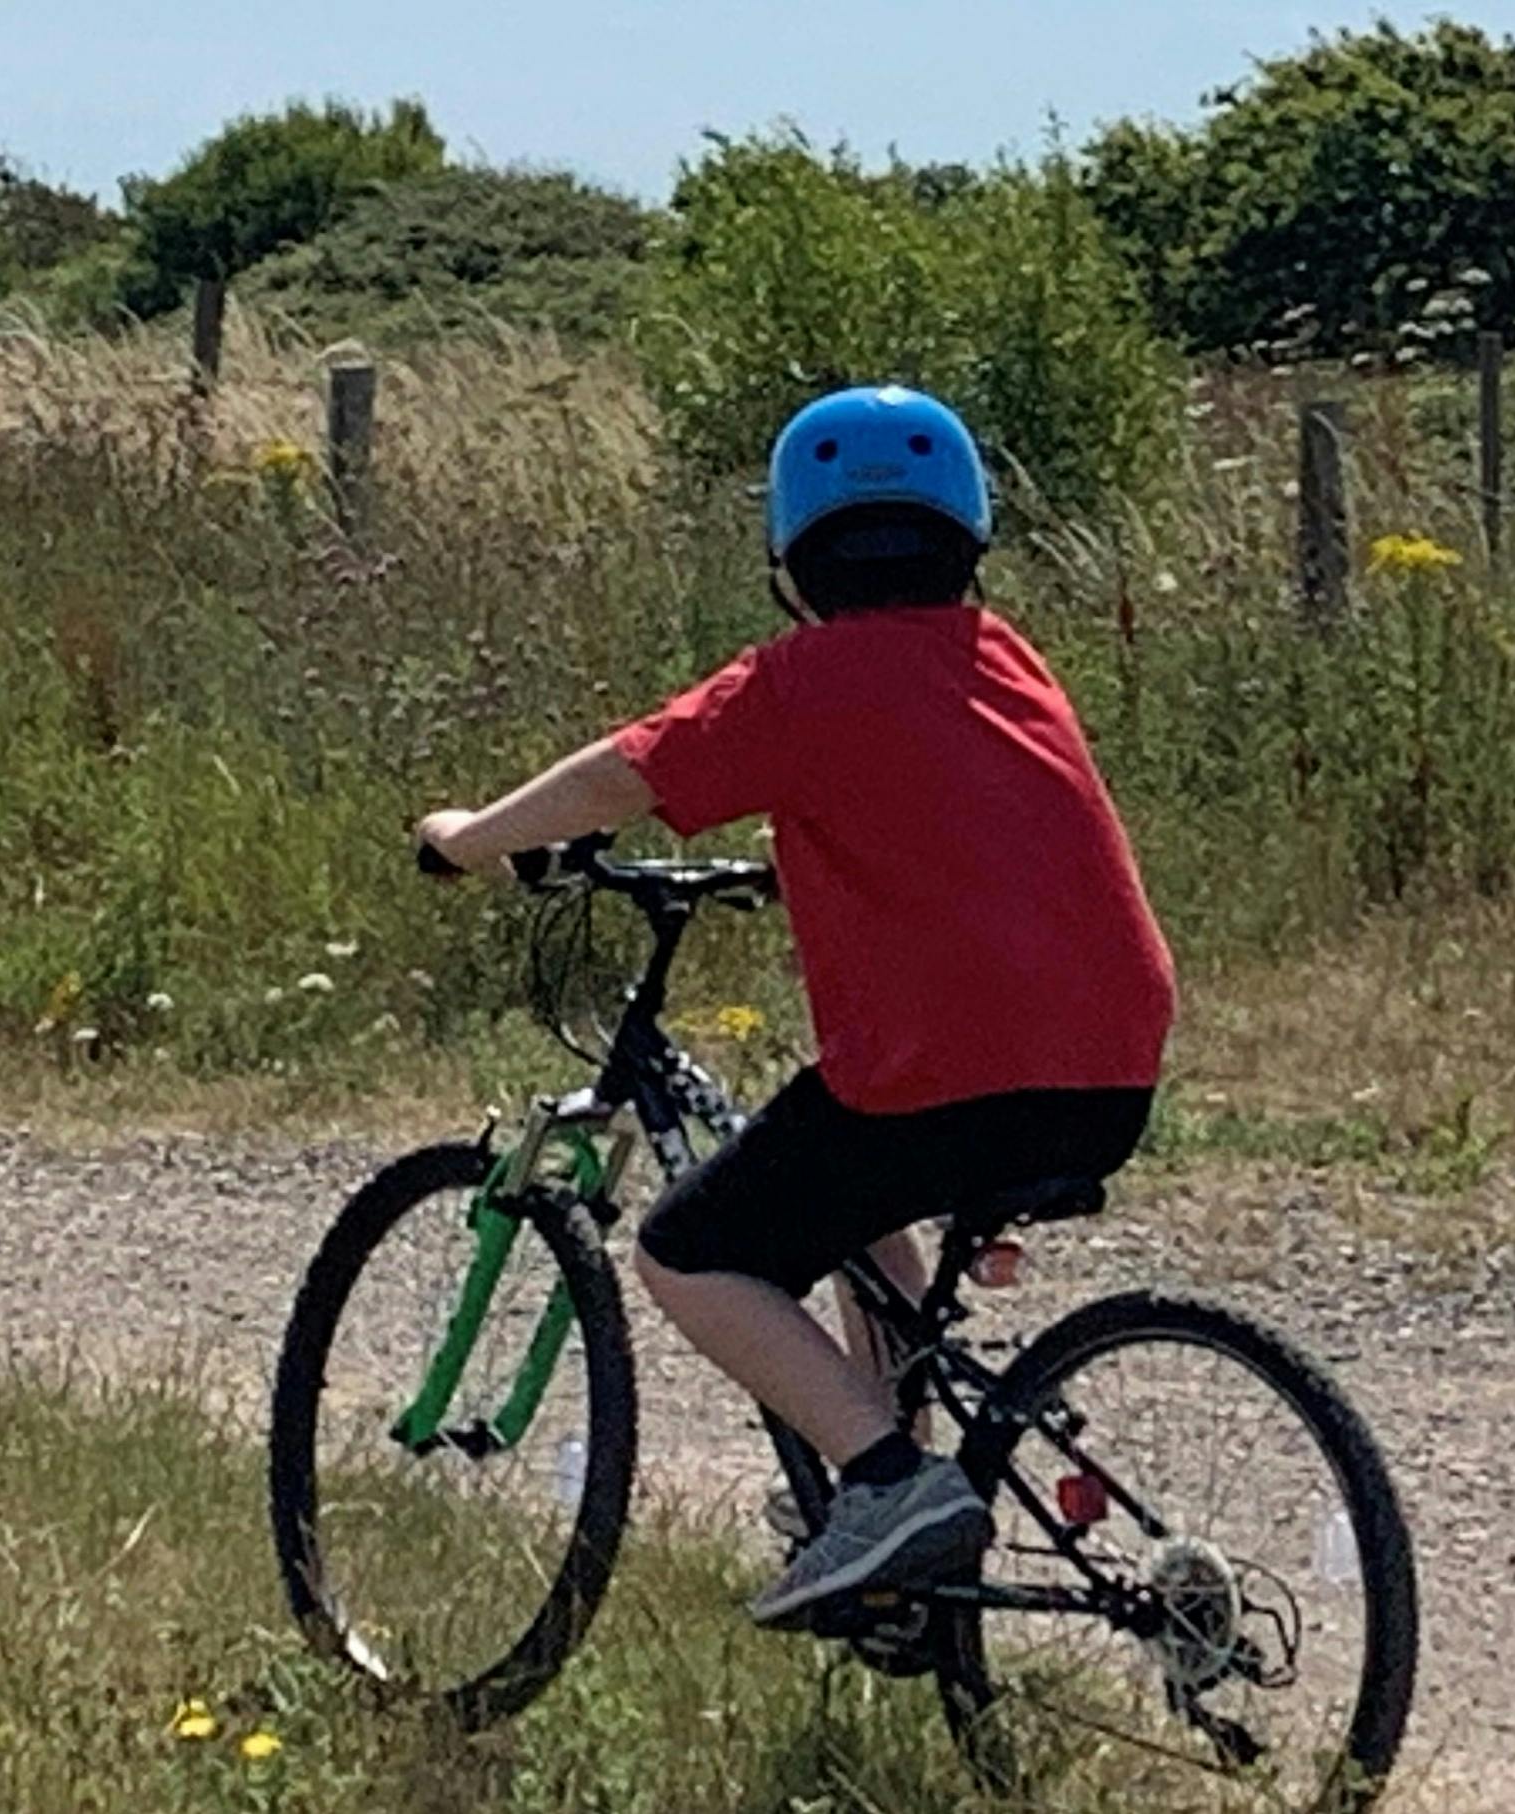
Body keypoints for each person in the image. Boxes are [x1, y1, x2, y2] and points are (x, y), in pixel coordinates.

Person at [413, 385, 1176, 1624]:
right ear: (966, 542)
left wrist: (471, 837)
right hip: (1107, 1069)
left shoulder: (799, 682)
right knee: (853, 1198)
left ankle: (887, 1481)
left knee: (688, 1249)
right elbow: (973, 820)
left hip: (948, 1076)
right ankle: (899, 1501)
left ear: (794, 561)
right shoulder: (1006, 658)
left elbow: (626, 771)